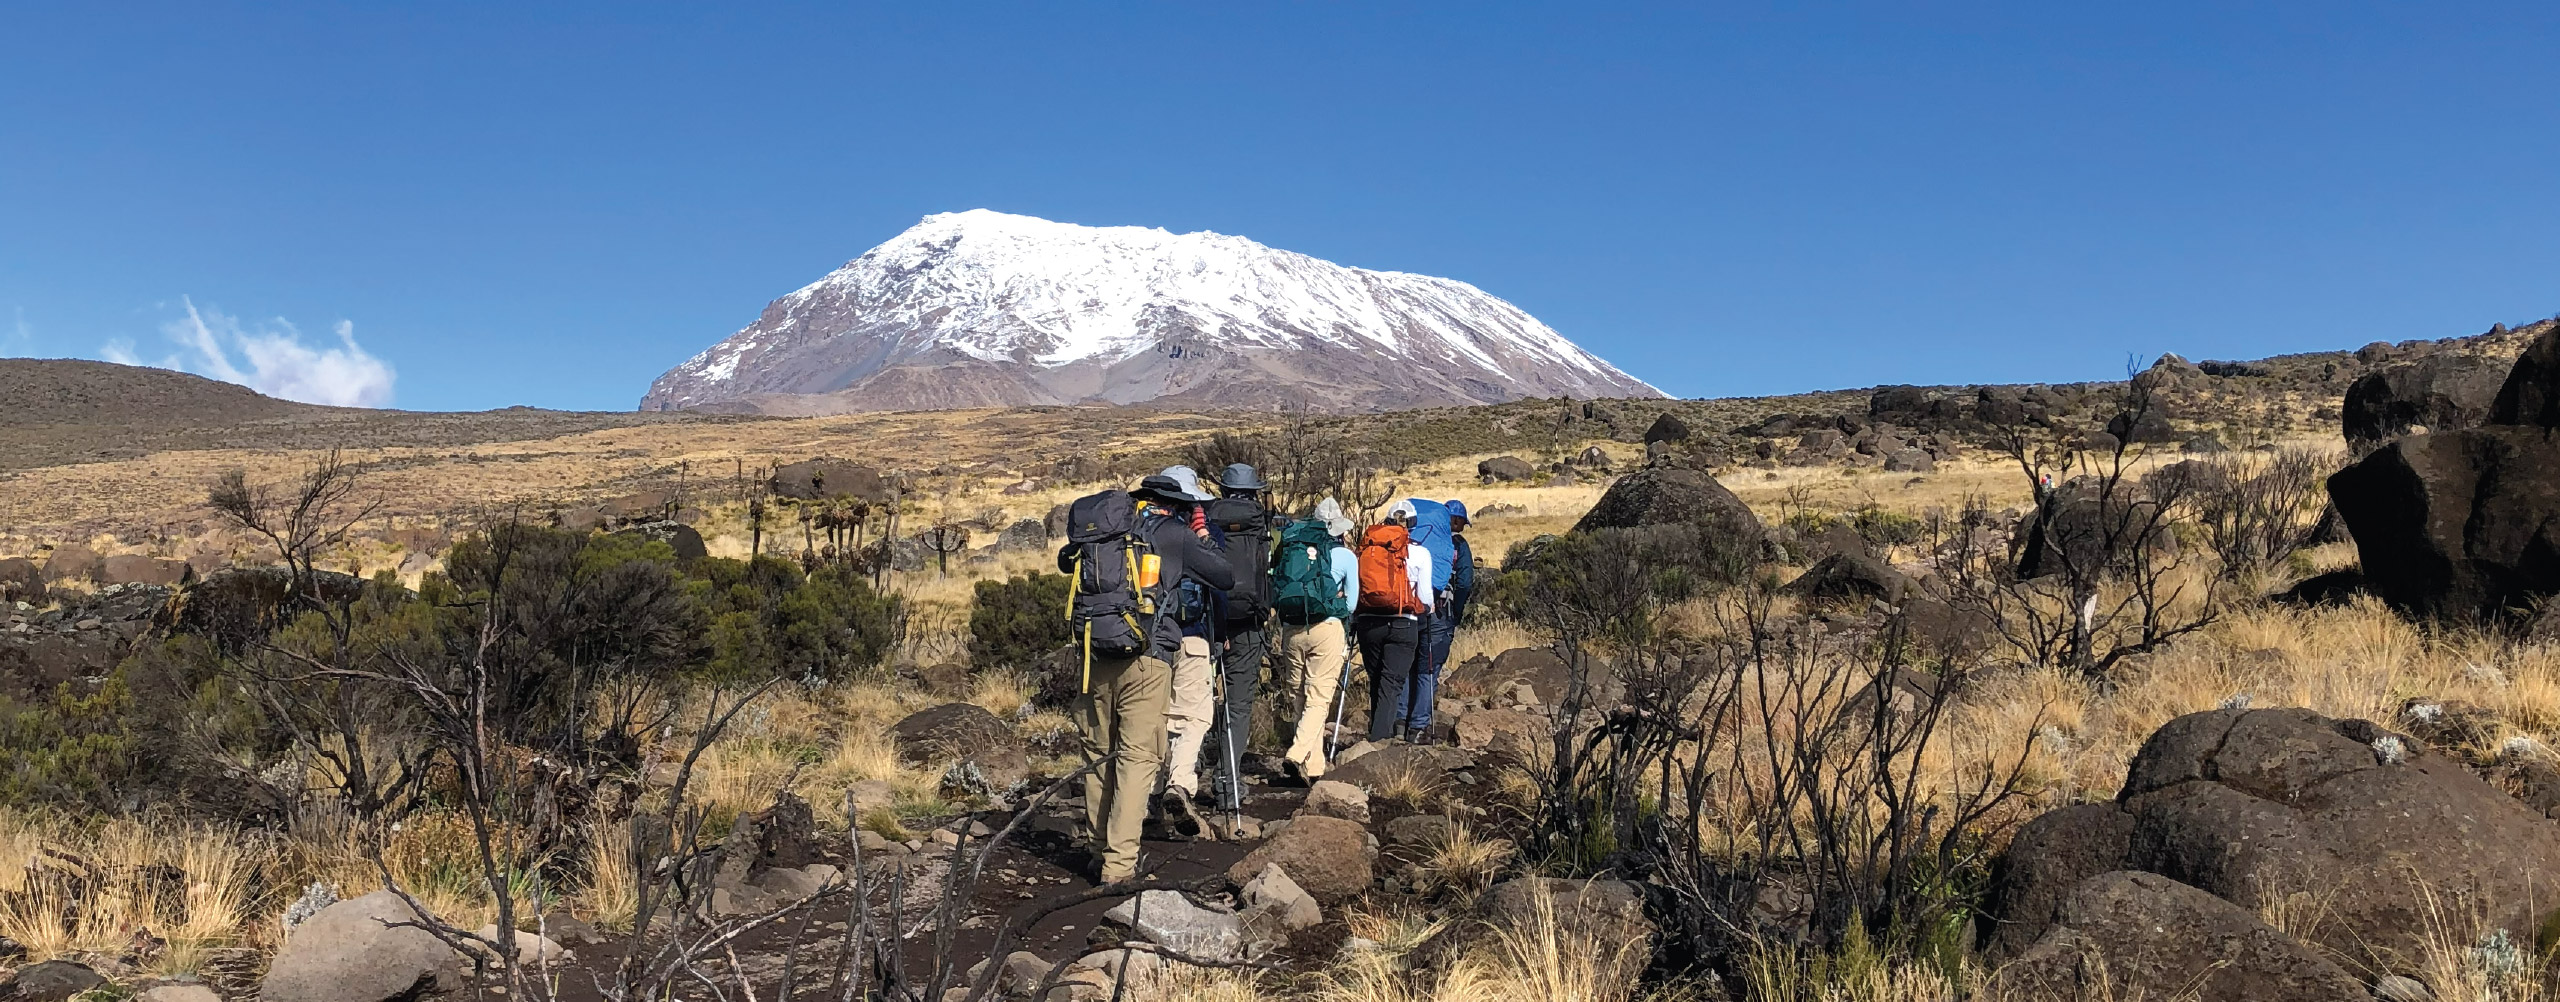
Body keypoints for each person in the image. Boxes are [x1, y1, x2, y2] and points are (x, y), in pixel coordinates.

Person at [1058, 474, 1233, 883]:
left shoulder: (1106, 532)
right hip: (1149, 657)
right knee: (1138, 759)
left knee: (1099, 753)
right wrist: (1201, 533)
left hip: (1094, 654)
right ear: (1175, 504)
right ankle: (1119, 867)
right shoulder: (1174, 533)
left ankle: (1097, 849)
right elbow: (1224, 576)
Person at [1152, 465, 1224, 822]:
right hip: (1192, 633)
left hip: (1148, 639)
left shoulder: (1138, 532)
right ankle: (1178, 783)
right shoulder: (1189, 535)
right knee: (1194, 715)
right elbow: (1222, 579)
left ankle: (1148, 786)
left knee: (1156, 716)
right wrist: (1205, 537)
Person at [1269, 496, 1358, 781]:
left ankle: (1314, 766)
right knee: (1318, 700)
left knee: (1299, 696)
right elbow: (1353, 603)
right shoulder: (1345, 556)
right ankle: (1296, 754)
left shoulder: (1293, 548)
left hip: (1292, 629)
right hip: (1328, 629)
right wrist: (1339, 598)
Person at [1205, 463, 1275, 808]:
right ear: (1253, 491)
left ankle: (1174, 784)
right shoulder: (1259, 523)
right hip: (1247, 624)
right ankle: (1227, 786)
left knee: (1191, 707)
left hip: (1205, 623)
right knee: (1238, 706)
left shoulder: (1205, 517)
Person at [1352, 500, 1434, 742]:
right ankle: (1379, 741)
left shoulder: (1367, 549)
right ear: (1412, 524)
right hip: (1402, 623)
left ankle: (1376, 732)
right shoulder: (1419, 553)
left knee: (1376, 679)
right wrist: (1428, 609)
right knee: (1391, 684)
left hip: (1368, 622)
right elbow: (1425, 597)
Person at [1400, 498, 1457, 742]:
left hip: (1400, 610)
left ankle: (1398, 721)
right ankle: (1419, 726)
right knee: (1426, 669)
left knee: (1403, 666)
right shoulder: (1448, 546)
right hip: (1433, 610)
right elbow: (1463, 582)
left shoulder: (1398, 546)